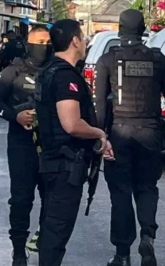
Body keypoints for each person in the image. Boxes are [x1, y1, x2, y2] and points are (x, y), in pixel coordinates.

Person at [94, 9, 165, 266]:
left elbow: (100, 104)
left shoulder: (107, 60)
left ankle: (122, 254)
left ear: (120, 29)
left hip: (119, 133)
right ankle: (147, 235)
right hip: (150, 133)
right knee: (147, 187)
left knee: (120, 192)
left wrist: (102, 138)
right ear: (143, 29)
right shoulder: (158, 59)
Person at [34, 19, 114, 266]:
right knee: (57, 230)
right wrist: (99, 134)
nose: (85, 42)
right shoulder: (64, 76)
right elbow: (71, 124)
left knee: (50, 226)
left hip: (51, 160)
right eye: (82, 37)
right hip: (64, 164)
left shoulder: (48, 70)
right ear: (75, 41)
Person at [0, 26, 55, 265]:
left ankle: (45, 244)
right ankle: (18, 251)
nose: (44, 47)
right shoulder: (12, 71)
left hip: (51, 147)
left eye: (48, 42)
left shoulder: (57, 71)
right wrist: (15, 116)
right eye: (39, 42)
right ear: (28, 45)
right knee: (21, 199)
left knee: (52, 199)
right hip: (21, 145)